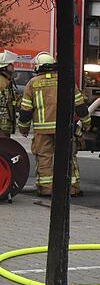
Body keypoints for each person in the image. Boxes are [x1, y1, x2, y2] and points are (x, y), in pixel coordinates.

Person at [16, 52, 91, 197]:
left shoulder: (32, 84)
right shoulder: (66, 81)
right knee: (68, 157)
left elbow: (25, 112)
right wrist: (87, 122)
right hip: (64, 129)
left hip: (42, 132)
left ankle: (46, 189)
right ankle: (72, 188)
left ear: (38, 67)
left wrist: (23, 128)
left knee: (44, 158)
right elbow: (80, 106)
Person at [0, 51, 14, 138]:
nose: (12, 66)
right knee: (3, 144)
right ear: (4, 67)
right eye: (10, 64)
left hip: (5, 124)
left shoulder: (6, 80)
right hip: (2, 125)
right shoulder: (2, 81)